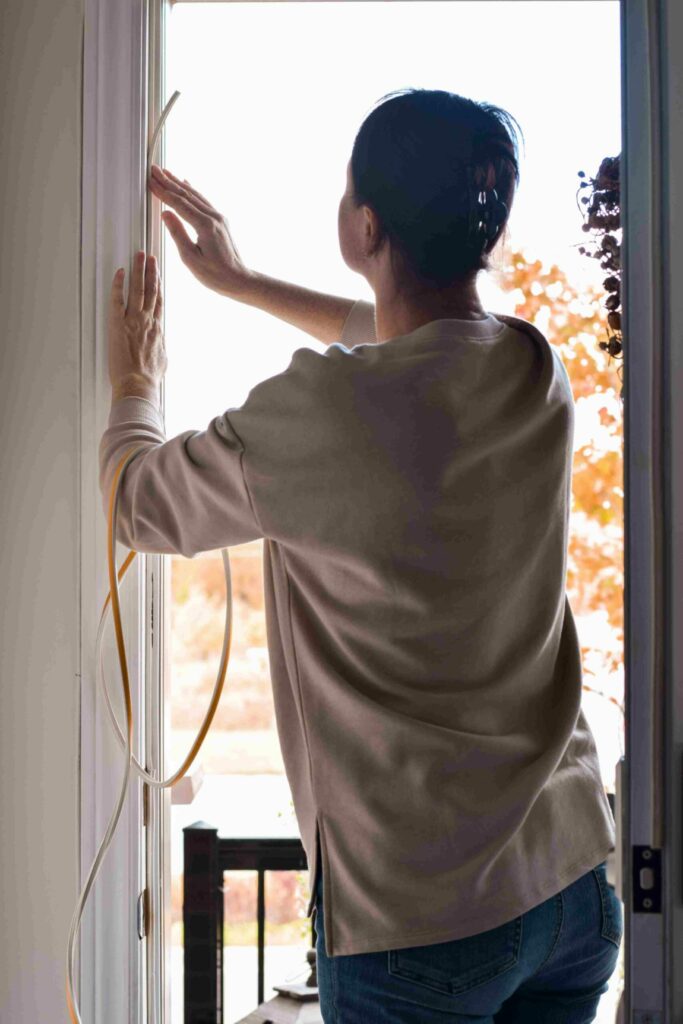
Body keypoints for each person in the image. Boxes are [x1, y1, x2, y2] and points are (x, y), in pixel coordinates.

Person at [104, 87, 622, 1022]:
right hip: (570, 890)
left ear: (366, 226)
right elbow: (405, 347)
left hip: (421, 928)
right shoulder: (529, 367)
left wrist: (133, 385)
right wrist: (243, 282)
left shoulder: (321, 413)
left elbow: (139, 506)